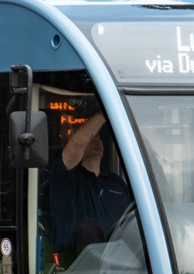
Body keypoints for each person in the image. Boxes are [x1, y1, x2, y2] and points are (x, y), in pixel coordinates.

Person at [46, 110, 133, 265]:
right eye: (89, 136)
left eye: (97, 136)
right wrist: (105, 111)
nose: (94, 139)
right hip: (75, 271)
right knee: (88, 228)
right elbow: (76, 144)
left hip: (120, 269)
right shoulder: (65, 178)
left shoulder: (117, 183)